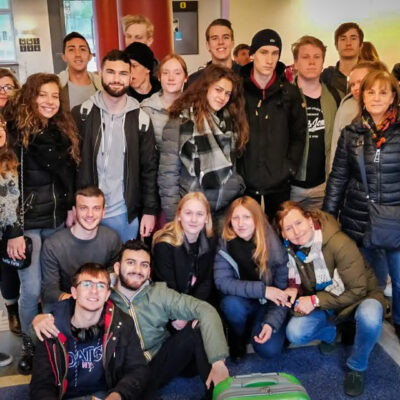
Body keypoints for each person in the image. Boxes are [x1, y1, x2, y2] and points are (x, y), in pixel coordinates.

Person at [34, 240, 229, 399]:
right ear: (117, 267)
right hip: (122, 370)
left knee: (198, 326)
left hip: (159, 361)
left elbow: (205, 309)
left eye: (144, 265)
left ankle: (218, 393)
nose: (137, 269)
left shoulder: (160, 293)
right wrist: (40, 318)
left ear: (149, 271)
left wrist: (218, 362)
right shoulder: (102, 294)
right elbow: (76, 302)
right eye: (130, 262)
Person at [5, 72, 79, 374]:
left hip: (57, 221)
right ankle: (31, 344)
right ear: (30, 97)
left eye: (54, 96)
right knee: (31, 287)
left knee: (52, 285)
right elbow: (7, 184)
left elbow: (68, 176)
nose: (49, 101)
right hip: (28, 225)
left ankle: (51, 342)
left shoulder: (61, 130)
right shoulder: (15, 133)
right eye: (42, 95)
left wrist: (71, 206)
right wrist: (13, 231)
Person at [277, 201, 387, 397]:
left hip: (360, 298)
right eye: (288, 228)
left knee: (371, 316)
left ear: (309, 219)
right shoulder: (290, 249)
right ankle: (330, 333)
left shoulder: (339, 243)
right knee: (295, 332)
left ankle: (357, 367)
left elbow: (358, 290)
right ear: (283, 234)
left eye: (298, 223)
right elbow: (300, 281)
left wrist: (314, 301)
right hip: (329, 301)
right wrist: (294, 288)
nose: (296, 231)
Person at [323, 70, 400, 342]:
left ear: (393, 97)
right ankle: (362, 321)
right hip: (359, 219)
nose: (376, 97)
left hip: (395, 220)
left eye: (383, 92)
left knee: (399, 279)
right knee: (366, 280)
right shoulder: (351, 133)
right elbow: (338, 177)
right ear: (362, 96)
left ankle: (398, 321)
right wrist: (328, 217)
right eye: (371, 92)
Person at [73, 49, 159, 242]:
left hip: (124, 214)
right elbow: (70, 164)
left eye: (123, 73)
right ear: (100, 73)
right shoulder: (82, 114)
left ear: (130, 77)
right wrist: (71, 206)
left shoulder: (141, 119)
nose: (117, 79)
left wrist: (149, 211)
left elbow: (149, 169)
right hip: (87, 211)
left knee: (124, 260)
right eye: (111, 72)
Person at [30, 263, 149, 400]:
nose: (94, 291)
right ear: (74, 292)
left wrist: (118, 395)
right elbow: (41, 386)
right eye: (87, 284)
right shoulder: (50, 326)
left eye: (101, 286)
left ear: (107, 295)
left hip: (108, 394)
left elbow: (137, 369)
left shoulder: (122, 323)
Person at [158, 64, 248, 230]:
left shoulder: (230, 121)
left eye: (227, 93)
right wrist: (174, 219)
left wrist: (237, 184)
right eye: (218, 90)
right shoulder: (180, 122)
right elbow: (168, 177)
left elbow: (235, 167)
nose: (223, 97)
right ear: (205, 87)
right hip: (192, 214)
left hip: (224, 212)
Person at [238, 29, 307, 221]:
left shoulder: (290, 93)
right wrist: (238, 171)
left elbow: (299, 135)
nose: (269, 59)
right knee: (246, 233)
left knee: (280, 232)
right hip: (245, 183)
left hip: (279, 183)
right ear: (252, 54)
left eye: (275, 53)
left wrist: (289, 169)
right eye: (263, 52)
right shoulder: (238, 91)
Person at [214, 196, 289, 360]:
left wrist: (270, 323)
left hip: (267, 305)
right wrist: (263, 290)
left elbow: (282, 293)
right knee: (231, 305)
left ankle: (261, 326)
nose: (240, 223)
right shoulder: (225, 243)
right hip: (242, 300)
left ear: (257, 218)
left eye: (247, 217)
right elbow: (222, 282)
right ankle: (237, 336)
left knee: (269, 350)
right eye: (235, 218)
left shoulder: (274, 246)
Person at [40, 186, 121, 311]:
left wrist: (94, 301)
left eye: (96, 208)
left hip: (99, 301)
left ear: (103, 212)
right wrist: (80, 301)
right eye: (84, 208)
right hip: (66, 302)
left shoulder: (112, 238)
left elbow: (114, 278)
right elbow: (49, 290)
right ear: (74, 211)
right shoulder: (53, 245)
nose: (90, 214)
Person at [290, 36, 339, 209]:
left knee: (322, 227)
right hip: (290, 187)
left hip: (323, 186)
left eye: (317, 57)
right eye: (305, 57)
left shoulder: (336, 96)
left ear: (323, 62)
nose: (312, 62)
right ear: (295, 63)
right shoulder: (284, 96)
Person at [153, 192, 217, 315]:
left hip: (197, 304)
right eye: (188, 213)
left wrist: (195, 311)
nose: (194, 219)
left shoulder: (211, 241)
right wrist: (180, 316)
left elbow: (206, 282)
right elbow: (167, 287)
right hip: (170, 307)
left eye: (199, 214)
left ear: (206, 218)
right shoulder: (164, 244)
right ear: (179, 215)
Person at [329, 61, 388, 172]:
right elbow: (336, 147)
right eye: (352, 84)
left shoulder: (389, 108)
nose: (355, 88)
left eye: (360, 82)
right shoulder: (347, 106)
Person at [0, 115, 19, 365]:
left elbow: (13, 199)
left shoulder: (9, 161)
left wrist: (15, 231)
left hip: (5, 232)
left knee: (9, 274)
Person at [141, 53, 188, 148]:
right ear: (159, 77)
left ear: (185, 78)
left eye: (177, 73)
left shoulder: (194, 107)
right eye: (166, 73)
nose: (171, 78)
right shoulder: (146, 109)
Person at [187, 19, 240, 86]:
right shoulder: (194, 81)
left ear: (232, 43)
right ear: (208, 45)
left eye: (225, 37)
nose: (221, 42)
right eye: (215, 38)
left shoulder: (246, 76)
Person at [58, 31, 102, 111]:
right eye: (71, 50)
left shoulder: (101, 85)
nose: (78, 54)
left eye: (82, 49)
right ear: (64, 57)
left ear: (90, 56)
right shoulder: (57, 85)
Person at [321, 22, 364, 97]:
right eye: (343, 39)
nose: (348, 43)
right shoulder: (327, 76)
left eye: (353, 38)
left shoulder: (370, 75)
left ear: (361, 45)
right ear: (336, 45)